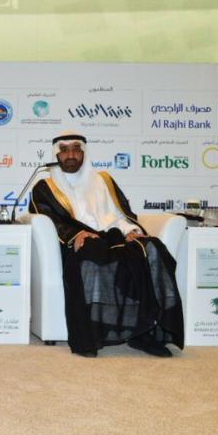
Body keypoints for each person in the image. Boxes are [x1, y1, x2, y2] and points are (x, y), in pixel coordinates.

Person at [31, 132, 184, 357]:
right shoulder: (45, 187)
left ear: (84, 153)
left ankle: (146, 332)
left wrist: (130, 231)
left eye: (76, 149)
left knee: (151, 248)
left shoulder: (103, 180)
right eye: (64, 150)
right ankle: (94, 335)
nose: (71, 155)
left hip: (113, 236)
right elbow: (50, 218)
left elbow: (119, 214)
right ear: (56, 154)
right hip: (78, 242)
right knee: (92, 252)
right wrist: (76, 234)